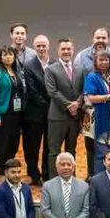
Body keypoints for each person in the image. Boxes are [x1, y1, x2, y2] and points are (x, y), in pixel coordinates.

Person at [44, 38, 84, 175]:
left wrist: (78, 103)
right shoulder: (50, 69)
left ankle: (71, 179)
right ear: (58, 51)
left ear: (73, 50)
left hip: (74, 118)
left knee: (71, 150)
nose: (66, 51)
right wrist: (69, 106)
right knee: (54, 151)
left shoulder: (80, 69)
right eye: (63, 49)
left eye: (69, 49)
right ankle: (53, 180)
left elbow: (84, 90)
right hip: (57, 116)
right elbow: (52, 91)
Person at [0, 47, 24, 173]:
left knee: (14, 142)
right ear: (0, 57)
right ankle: (2, 172)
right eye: (5, 55)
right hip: (4, 113)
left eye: (11, 54)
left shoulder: (16, 71)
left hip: (17, 114)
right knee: (3, 144)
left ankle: (10, 171)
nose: (8, 57)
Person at [81, 50, 110, 176]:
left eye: (106, 60)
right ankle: (98, 178)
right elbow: (90, 98)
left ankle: (108, 176)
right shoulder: (92, 76)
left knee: (109, 149)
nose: (104, 62)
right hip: (97, 118)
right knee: (100, 151)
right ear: (95, 62)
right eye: (101, 60)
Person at [22, 35, 52, 181]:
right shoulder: (29, 65)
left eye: (43, 45)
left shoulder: (54, 63)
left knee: (49, 145)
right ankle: (33, 173)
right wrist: (49, 105)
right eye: (38, 46)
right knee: (32, 146)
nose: (41, 48)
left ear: (48, 46)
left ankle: (47, 173)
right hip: (34, 113)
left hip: (53, 114)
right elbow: (32, 91)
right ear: (34, 48)